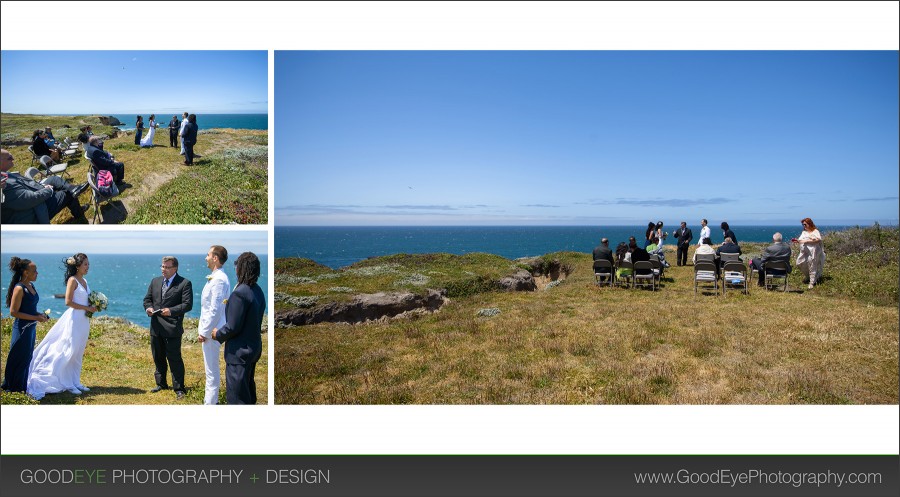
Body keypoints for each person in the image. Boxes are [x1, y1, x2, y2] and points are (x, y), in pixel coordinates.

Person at [27, 254, 96, 400]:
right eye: (85, 264)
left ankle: (76, 381)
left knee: (78, 351)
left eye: (88, 264)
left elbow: (84, 299)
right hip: (74, 319)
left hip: (84, 320)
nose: (88, 267)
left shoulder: (84, 280)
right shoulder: (73, 280)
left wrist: (92, 306)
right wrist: (87, 308)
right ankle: (67, 383)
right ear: (77, 266)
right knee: (69, 350)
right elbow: (68, 302)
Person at [213, 252, 266, 405]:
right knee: (248, 390)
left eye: (237, 266)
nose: (235, 269)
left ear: (242, 268)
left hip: (239, 352)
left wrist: (218, 334)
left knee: (237, 397)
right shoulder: (257, 290)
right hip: (253, 348)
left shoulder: (240, 293)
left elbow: (233, 326)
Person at [143, 256, 193, 400]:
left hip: (172, 327)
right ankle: (161, 384)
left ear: (175, 268)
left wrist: (171, 311)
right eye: (162, 266)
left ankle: (179, 388)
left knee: (174, 358)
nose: (163, 269)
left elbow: (187, 304)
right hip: (156, 326)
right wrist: (148, 308)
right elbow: (147, 299)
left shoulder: (184, 283)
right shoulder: (155, 281)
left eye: (167, 267)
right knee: (158, 356)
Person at [1, 149, 88, 224]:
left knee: (54, 179)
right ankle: (78, 211)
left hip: (36, 194)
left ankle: (73, 189)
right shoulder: (4, 184)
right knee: (67, 194)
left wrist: (41, 185)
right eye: (9, 158)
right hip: (34, 213)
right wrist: (48, 189)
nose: (13, 158)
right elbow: (30, 199)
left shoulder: (5, 173)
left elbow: (26, 184)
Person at [2, 258, 49, 393]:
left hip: (31, 328)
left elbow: (29, 308)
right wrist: (35, 317)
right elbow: (13, 312)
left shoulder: (31, 286)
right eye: (34, 271)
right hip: (22, 329)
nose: (37, 273)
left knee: (27, 357)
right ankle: (13, 387)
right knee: (18, 357)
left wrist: (40, 315)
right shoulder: (19, 288)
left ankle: (21, 387)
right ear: (26, 272)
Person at [197, 245, 231, 405]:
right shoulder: (217, 277)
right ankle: (209, 401)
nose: (206, 257)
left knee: (211, 371)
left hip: (212, 332)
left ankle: (210, 403)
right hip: (211, 330)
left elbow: (215, 309)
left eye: (208, 254)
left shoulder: (219, 279)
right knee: (210, 369)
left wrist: (204, 332)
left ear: (215, 258)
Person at [794, 217, 825, 289]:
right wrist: (798, 241)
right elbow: (801, 240)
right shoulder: (804, 232)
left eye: (805, 224)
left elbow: (818, 240)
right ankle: (808, 276)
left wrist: (807, 241)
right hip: (804, 251)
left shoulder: (815, 231)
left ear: (809, 224)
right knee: (799, 263)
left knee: (812, 265)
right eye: (803, 225)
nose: (804, 226)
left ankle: (812, 282)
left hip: (814, 251)